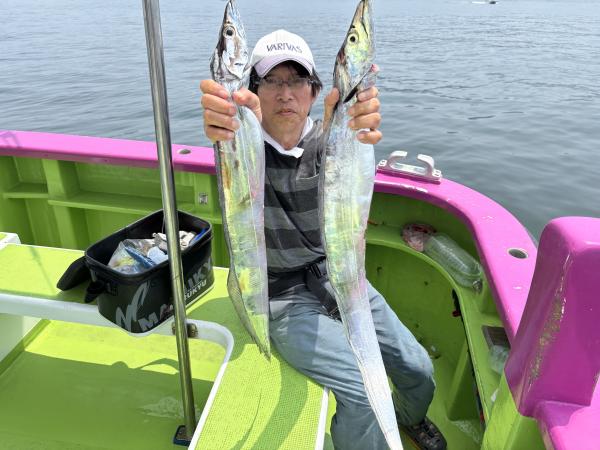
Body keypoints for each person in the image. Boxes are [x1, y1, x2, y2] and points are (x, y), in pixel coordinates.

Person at [200, 29, 446, 450]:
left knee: (418, 367)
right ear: (252, 91)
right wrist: (223, 121)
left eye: (297, 80)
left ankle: (410, 417)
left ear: (315, 91)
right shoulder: (241, 149)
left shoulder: (331, 142)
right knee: (364, 394)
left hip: (340, 279)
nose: (285, 94)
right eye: (271, 81)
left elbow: (353, 145)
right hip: (282, 298)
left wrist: (359, 124)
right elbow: (228, 136)